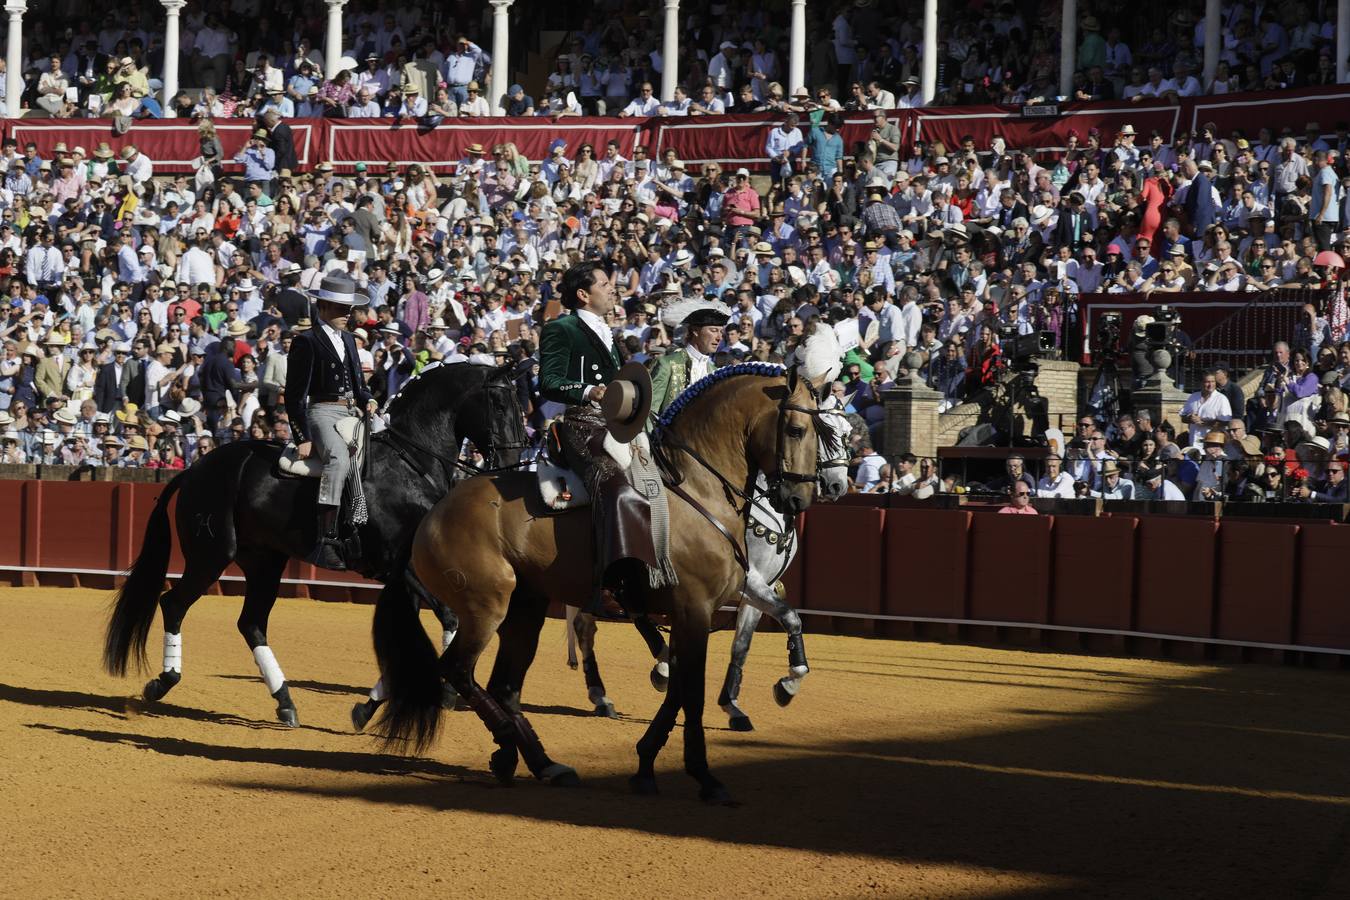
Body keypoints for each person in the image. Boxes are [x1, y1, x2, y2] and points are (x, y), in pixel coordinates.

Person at [539, 262, 652, 618]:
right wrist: (589, 390)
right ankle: (607, 583)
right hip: (582, 425)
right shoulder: (561, 327)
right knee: (614, 486)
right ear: (583, 294)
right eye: (605, 284)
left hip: (617, 426)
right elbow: (550, 381)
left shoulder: (608, 331)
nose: (612, 288)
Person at [283, 274, 378, 569]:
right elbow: (294, 396)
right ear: (323, 306)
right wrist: (303, 437)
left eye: (348, 309)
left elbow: (358, 383)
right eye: (340, 308)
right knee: (338, 458)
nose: (346, 314)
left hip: (352, 412)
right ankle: (325, 541)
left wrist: (368, 399)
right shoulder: (306, 341)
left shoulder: (349, 339)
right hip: (322, 412)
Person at [648, 299, 729, 427]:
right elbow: (649, 412)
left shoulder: (715, 372)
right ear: (696, 331)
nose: (719, 338)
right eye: (713, 330)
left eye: (721, 332)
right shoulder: (668, 364)